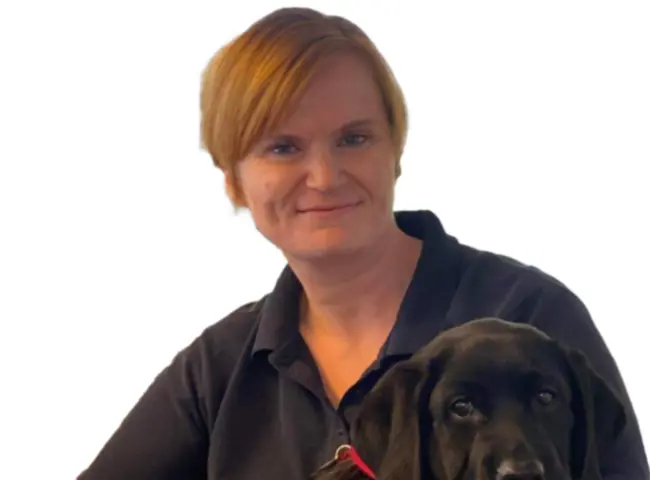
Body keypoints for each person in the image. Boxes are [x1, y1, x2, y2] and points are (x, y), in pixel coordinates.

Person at [78, 7, 648, 480]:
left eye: (354, 138)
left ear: (395, 151)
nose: (325, 176)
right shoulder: (220, 371)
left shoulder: (528, 315)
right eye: (282, 147)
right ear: (234, 180)